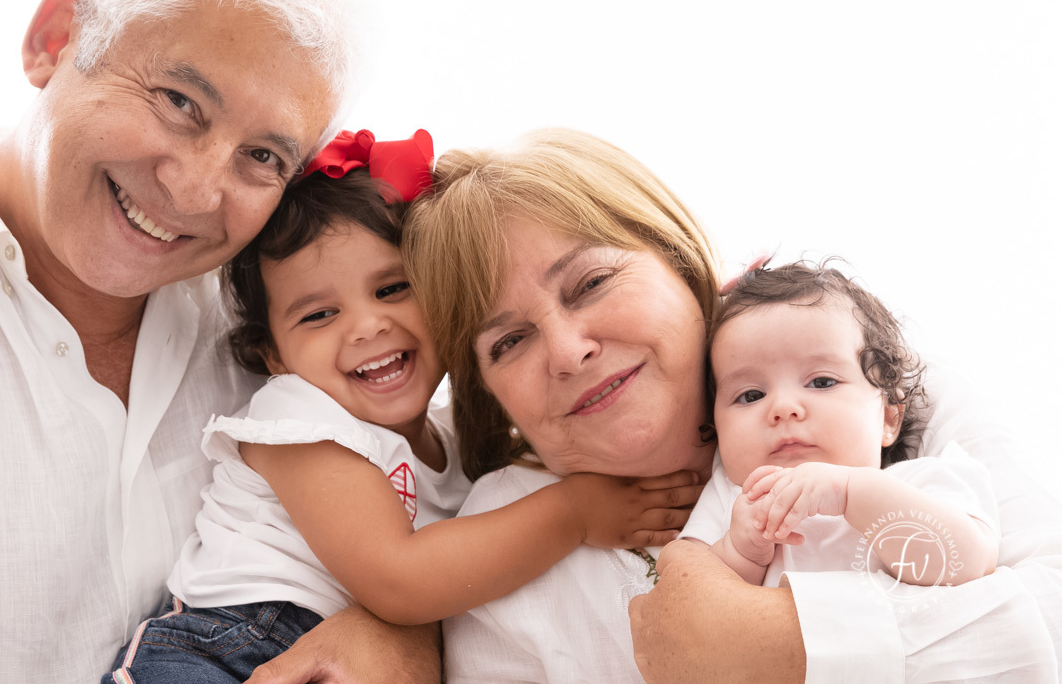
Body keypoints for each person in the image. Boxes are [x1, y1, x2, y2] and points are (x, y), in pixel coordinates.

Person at [0, 0, 443, 683]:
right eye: (179, 102)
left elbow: (428, 484)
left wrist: (404, 633)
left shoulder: (284, 316)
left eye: (263, 157)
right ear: (54, 40)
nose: (196, 191)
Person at [401, 127, 1062, 683]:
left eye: (592, 282)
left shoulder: (868, 384)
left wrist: (778, 645)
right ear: (488, 390)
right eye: (509, 342)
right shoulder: (493, 539)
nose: (569, 352)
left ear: (683, 264)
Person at [103, 131, 691, 683]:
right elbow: (398, 580)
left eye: (391, 289)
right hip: (228, 645)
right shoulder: (298, 419)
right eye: (318, 315)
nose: (367, 326)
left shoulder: (455, 446)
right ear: (274, 357)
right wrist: (575, 514)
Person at [682, 260, 998, 590]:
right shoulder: (731, 498)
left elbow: (969, 562)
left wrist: (851, 493)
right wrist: (739, 552)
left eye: (821, 382)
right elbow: (685, 596)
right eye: (751, 395)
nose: (783, 408)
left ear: (888, 417)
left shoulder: (922, 481)